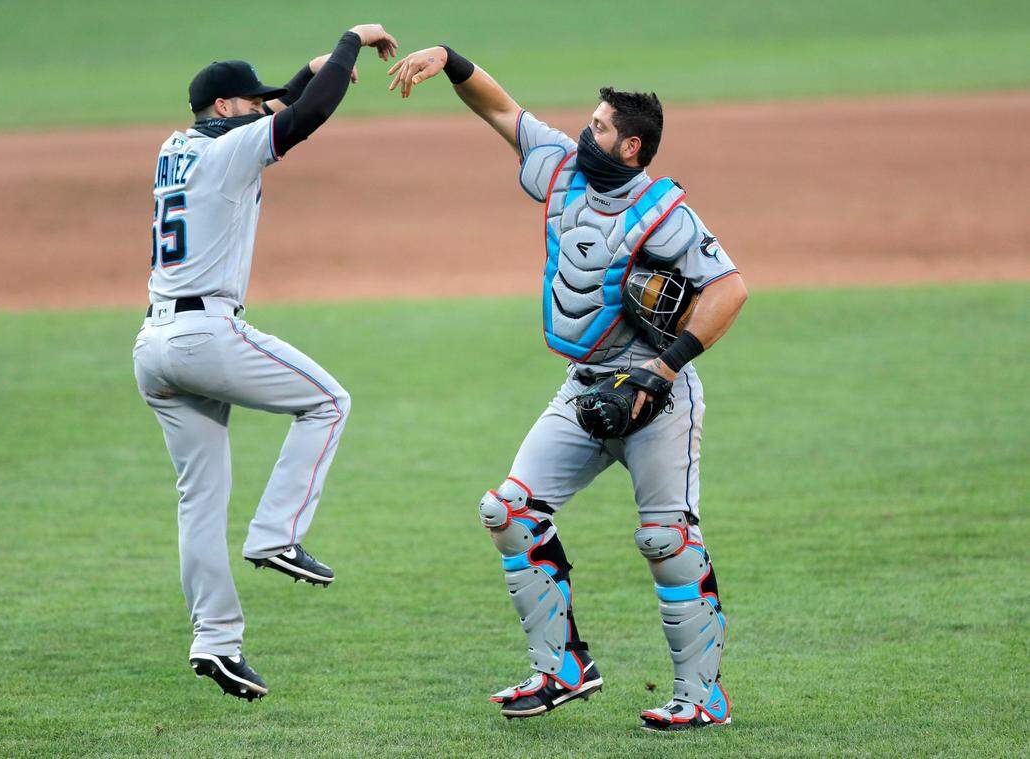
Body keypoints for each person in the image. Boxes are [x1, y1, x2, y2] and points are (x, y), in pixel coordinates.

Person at [386, 45, 748, 730]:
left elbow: (730, 288)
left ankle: (702, 694)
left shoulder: (665, 213)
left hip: (657, 399)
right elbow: (500, 109)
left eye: (603, 127)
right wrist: (451, 61)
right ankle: (562, 667)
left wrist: (663, 367)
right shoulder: (560, 168)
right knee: (508, 513)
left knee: (666, 539)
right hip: (583, 390)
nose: (587, 132)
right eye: (590, 121)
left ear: (633, 145)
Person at [132, 24, 398, 701]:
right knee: (328, 400)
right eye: (250, 101)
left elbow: (280, 106)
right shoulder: (232, 148)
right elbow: (304, 117)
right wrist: (348, 43)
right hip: (205, 336)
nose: (261, 108)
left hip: (154, 347)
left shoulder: (177, 146)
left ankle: (216, 641)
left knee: (198, 503)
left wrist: (301, 72)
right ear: (225, 108)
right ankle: (277, 534)